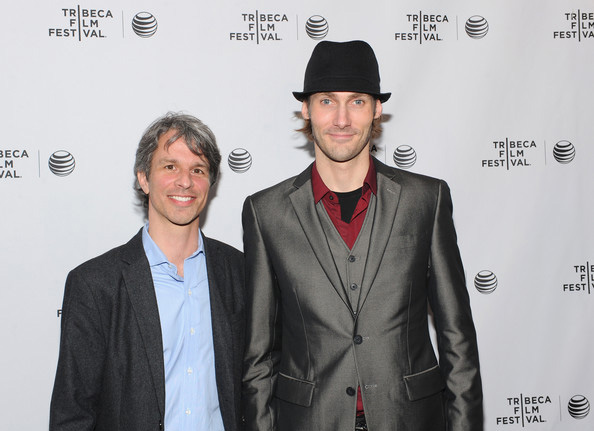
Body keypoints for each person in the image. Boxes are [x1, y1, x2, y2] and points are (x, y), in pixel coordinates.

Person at [241, 40, 483, 431]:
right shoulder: (266, 212)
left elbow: (458, 340)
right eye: (326, 101)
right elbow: (258, 358)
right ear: (305, 109)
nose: (341, 119)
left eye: (356, 101)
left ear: (376, 110)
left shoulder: (426, 200)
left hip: (410, 419)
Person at [50, 113, 245, 431]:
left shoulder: (239, 274)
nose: (185, 181)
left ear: (210, 183)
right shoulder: (95, 284)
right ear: (143, 178)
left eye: (198, 170)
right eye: (170, 167)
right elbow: (73, 412)